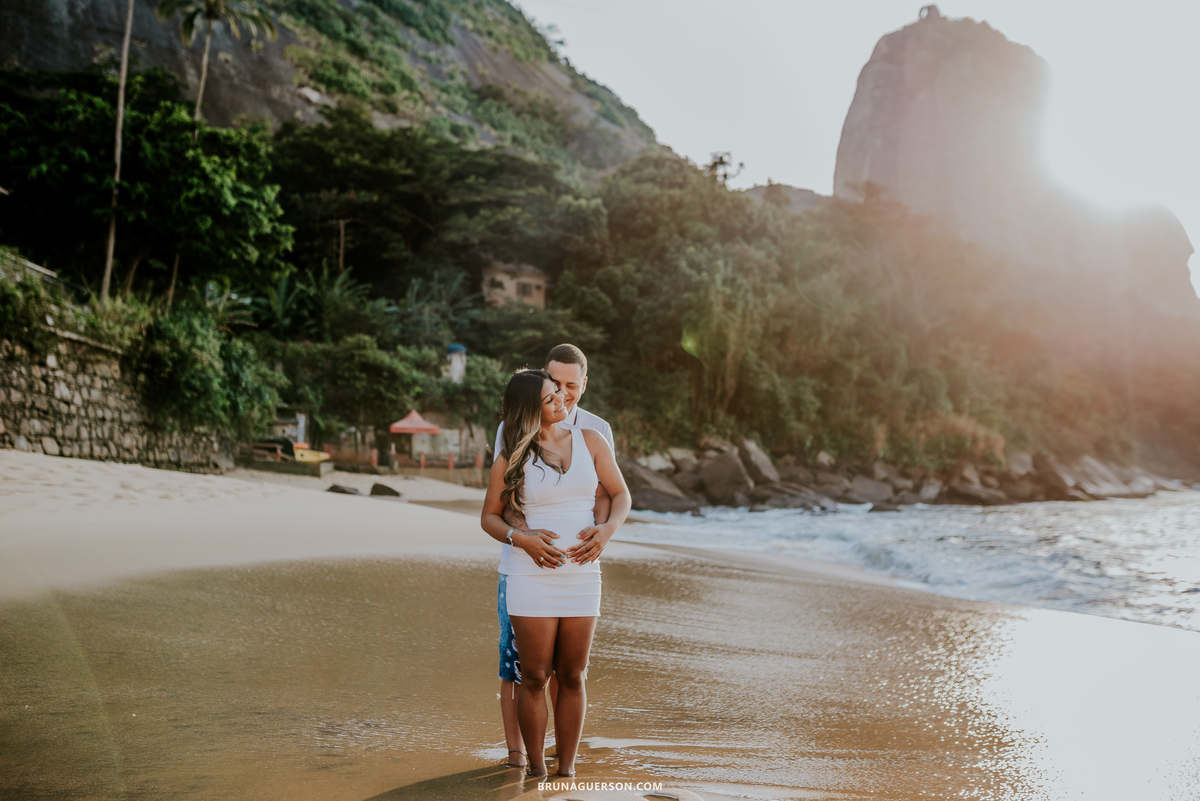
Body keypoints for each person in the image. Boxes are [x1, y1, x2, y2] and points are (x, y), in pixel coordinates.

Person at [481, 369, 631, 778]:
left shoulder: (591, 440)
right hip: (530, 576)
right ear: (530, 409)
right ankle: (536, 770)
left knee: (573, 675)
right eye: (550, 398)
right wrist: (522, 540)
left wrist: (607, 530)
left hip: (583, 575)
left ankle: (566, 769)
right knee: (533, 676)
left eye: (561, 394)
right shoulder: (512, 456)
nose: (562, 401)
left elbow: (621, 494)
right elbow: (489, 517)